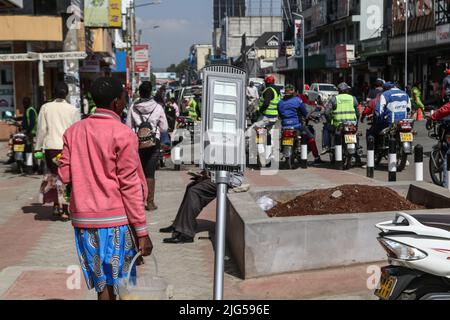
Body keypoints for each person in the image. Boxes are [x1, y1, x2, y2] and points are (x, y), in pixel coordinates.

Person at [58, 77, 152, 301]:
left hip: (85, 223)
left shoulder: (73, 132)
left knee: (103, 286)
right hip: (117, 222)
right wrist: (142, 232)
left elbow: (64, 175)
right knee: (123, 284)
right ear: (116, 103)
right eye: (123, 97)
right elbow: (129, 186)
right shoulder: (123, 134)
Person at [35, 82, 80, 220]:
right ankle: (65, 208)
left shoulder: (46, 107)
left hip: (50, 148)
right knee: (66, 177)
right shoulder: (73, 109)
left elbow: (42, 129)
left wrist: (37, 147)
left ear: (54, 93)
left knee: (53, 176)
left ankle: (56, 206)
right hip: (67, 148)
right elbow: (76, 131)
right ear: (66, 93)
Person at [159, 171, 244, 244]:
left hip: (228, 180)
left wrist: (207, 176)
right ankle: (178, 225)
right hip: (219, 177)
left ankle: (187, 233)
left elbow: (223, 168)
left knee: (194, 192)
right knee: (191, 187)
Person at [126, 81, 168, 211]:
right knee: (150, 173)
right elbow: (164, 128)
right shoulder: (158, 107)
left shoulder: (133, 107)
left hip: (137, 143)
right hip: (153, 143)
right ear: (151, 92)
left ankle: (138, 202)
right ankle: (150, 202)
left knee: (137, 173)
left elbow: (128, 126)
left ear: (140, 92)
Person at [277, 84, 323, 164]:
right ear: (293, 92)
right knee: (311, 137)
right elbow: (305, 113)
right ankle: (316, 157)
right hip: (297, 125)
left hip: (285, 126)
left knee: (281, 136)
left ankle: (283, 149)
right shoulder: (297, 100)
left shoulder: (280, 103)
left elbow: (280, 115)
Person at [321, 82, 359, 154]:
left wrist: (329, 121)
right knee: (355, 134)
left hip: (338, 125)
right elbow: (357, 113)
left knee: (326, 127)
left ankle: (326, 146)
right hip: (351, 124)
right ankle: (357, 151)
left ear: (339, 90)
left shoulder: (334, 99)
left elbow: (326, 112)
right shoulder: (353, 98)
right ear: (347, 90)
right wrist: (356, 123)